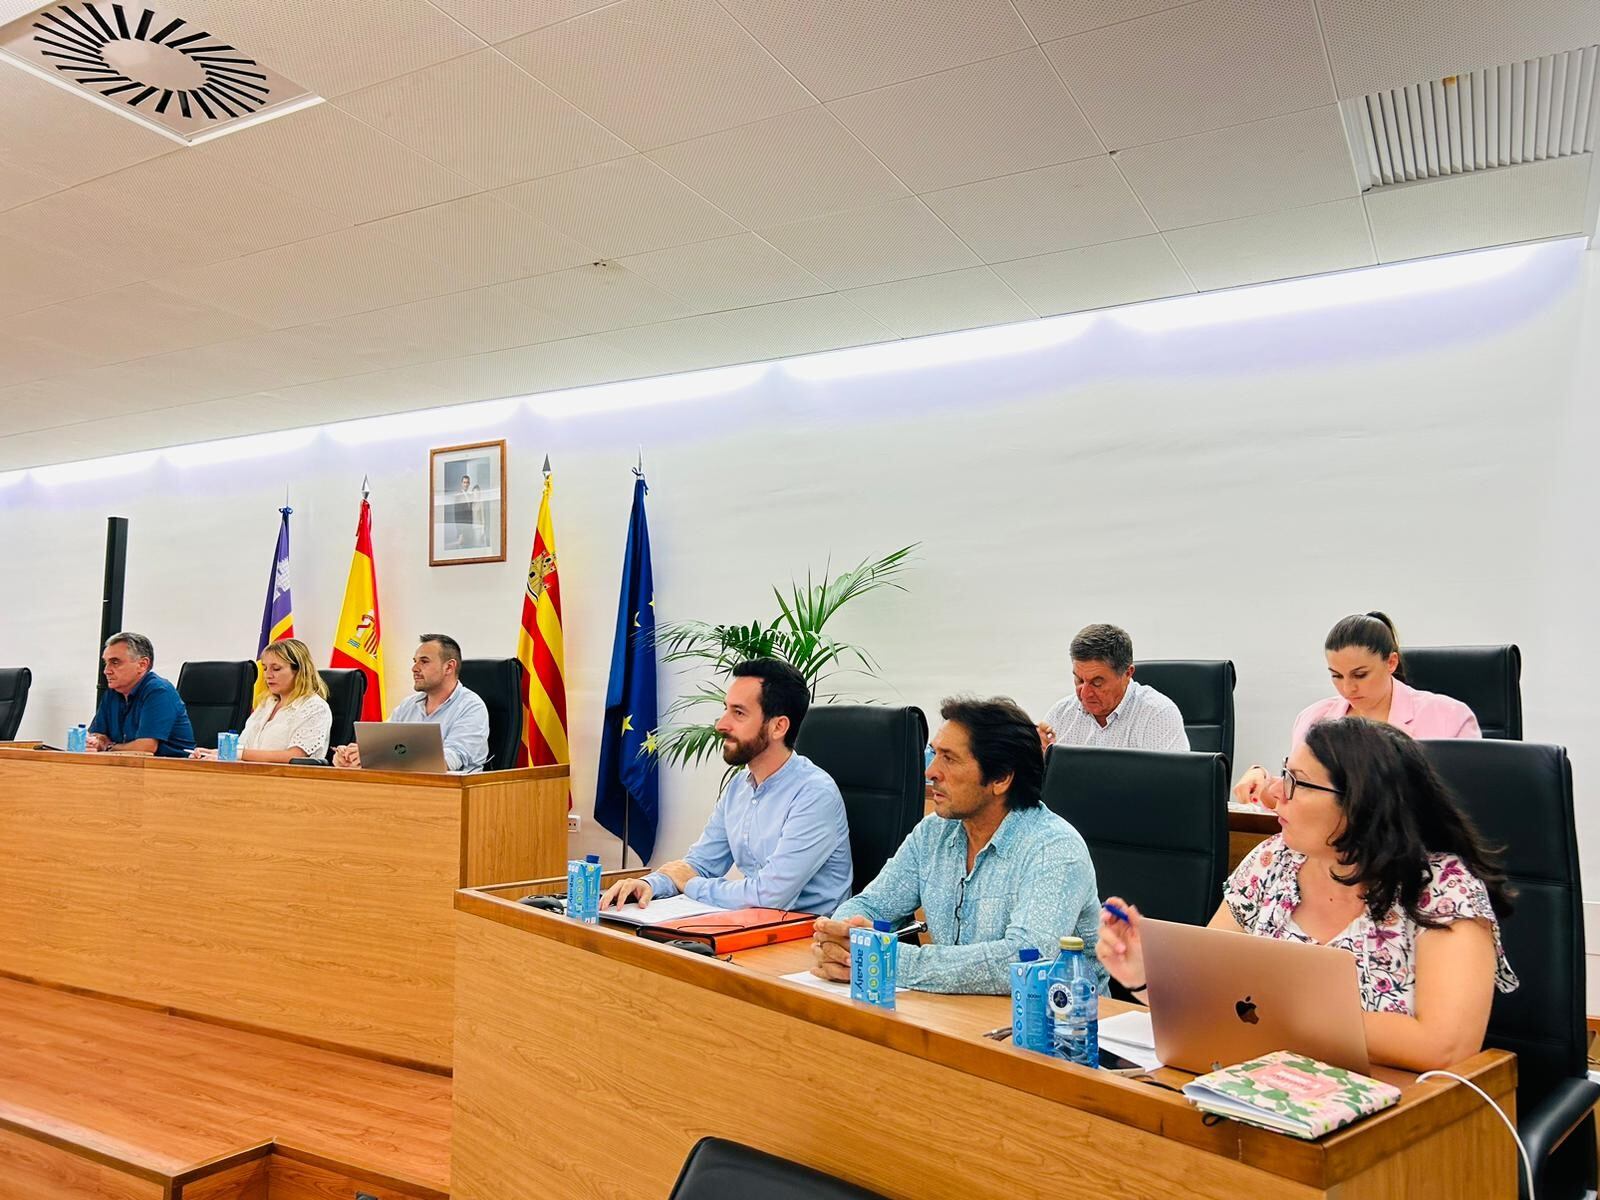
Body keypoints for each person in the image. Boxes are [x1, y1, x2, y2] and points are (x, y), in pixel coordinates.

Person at [1099, 717, 1517, 1071]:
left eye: (1298, 783)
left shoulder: (1443, 888)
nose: (1277, 791)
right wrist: (1146, 976)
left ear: (1359, 804)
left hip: (1390, 1114)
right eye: (1286, 773)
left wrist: (1282, 1014)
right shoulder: (1272, 862)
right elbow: (1210, 994)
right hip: (1258, 1089)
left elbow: (1445, 1046)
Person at [812, 696, 1103, 995]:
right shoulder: (934, 833)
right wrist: (840, 941)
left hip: (1063, 1028)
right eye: (934, 754)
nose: (930, 772)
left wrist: (884, 960)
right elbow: (871, 905)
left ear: (1001, 778)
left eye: (949, 759)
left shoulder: (1054, 848)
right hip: (958, 1013)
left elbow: (1024, 960)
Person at [600, 658, 851, 914]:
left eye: (739, 713)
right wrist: (649, 884)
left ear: (778, 727)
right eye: (726, 709)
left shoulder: (815, 794)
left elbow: (769, 896)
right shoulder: (739, 787)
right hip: (753, 925)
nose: (721, 724)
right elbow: (701, 863)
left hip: (807, 937)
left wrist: (689, 883)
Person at [1234, 612, 1480, 804]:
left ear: (1391, 662)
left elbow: (1465, 807)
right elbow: (1300, 798)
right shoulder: (1314, 719)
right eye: (1336, 676)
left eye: (1360, 675)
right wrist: (1263, 783)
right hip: (1330, 850)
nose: (1348, 688)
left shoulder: (1448, 717)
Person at [331, 634, 489, 773]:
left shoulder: (471, 707)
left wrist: (376, 755)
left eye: (424, 662)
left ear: (449, 667)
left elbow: (450, 759)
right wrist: (353, 755)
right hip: (406, 787)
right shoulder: (409, 705)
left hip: (453, 794)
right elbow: (381, 742)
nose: (414, 668)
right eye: (415, 661)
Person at [1037, 623, 1188, 754]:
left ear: (1127, 673)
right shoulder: (1061, 714)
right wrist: (1038, 756)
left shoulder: (1157, 715)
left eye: (1097, 683)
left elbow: (1172, 783)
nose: (1084, 693)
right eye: (1079, 680)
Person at [190, 638, 331, 763]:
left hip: (287, 782)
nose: (268, 675)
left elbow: (295, 756)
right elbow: (243, 747)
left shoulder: (315, 708)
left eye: (276, 669)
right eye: (264, 668)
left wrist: (236, 754)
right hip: (250, 776)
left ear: (299, 671)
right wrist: (214, 754)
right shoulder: (267, 704)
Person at [85, 631, 195, 758]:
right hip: (125, 767)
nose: (106, 671)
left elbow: (145, 748)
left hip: (170, 769)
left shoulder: (159, 691)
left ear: (142, 665)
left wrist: (108, 747)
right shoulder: (113, 692)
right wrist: (96, 742)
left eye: (115, 662)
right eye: (106, 663)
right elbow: (97, 733)